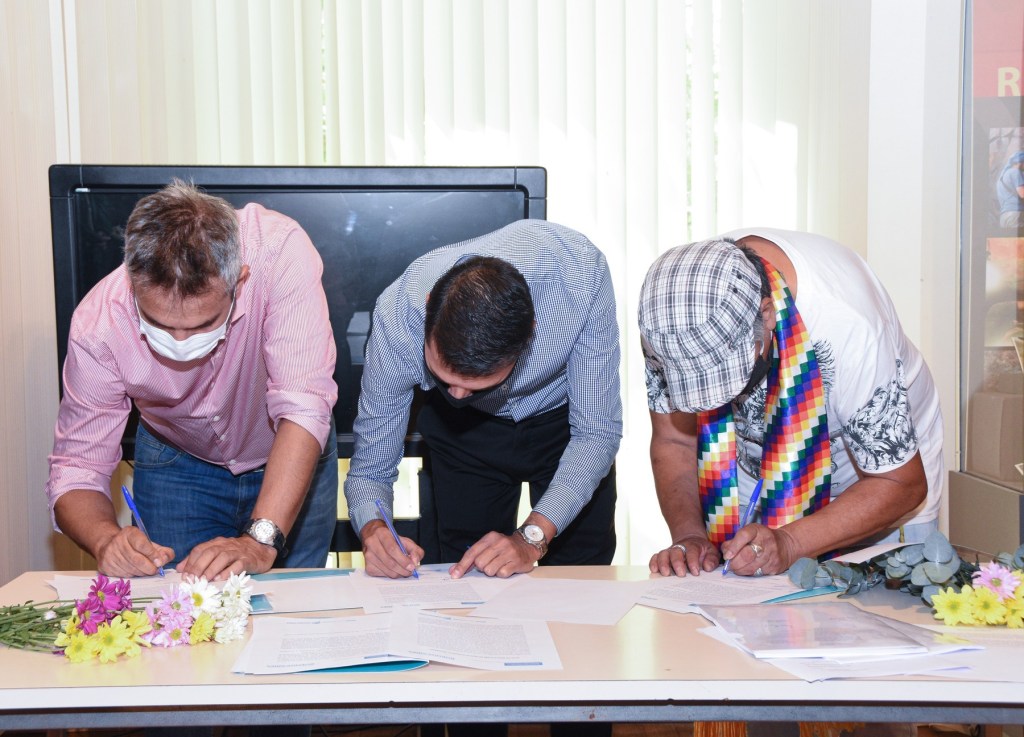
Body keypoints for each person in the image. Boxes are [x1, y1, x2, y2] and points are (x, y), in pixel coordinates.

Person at [46, 180, 339, 583]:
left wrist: (259, 541)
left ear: (239, 281)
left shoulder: (280, 252)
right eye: (159, 324)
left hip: (290, 446)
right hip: (177, 462)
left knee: (295, 604)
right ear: (133, 284)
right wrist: (105, 541)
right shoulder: (98, 324)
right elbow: (78, 466)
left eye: (203, 324)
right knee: (180, 608)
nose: (181, 343)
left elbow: (304, 404)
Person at [639, 229, 944, 580]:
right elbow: (675, 439)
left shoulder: (850, 326)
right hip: (750, 471)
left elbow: (900, 483)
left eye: (728, 380)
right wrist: (690, 536)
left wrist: (789, 542)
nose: (718, 400)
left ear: (767, 314)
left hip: (874, 477)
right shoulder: (670, 318)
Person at [345, 219, 621, 580]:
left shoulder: (579, 274)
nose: (458, 395)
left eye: (475, 386)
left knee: (582, 576)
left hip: (565, 425)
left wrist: (531, 538)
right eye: (445, 380)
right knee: (467, 572)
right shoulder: (397, 316)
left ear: (529, 335)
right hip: (462, 434)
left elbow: (596, 433)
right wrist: (373, 529)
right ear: (428, 309)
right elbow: (370, 469)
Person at [996, 151, 1024, 228]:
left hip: (1004, 216)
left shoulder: (1003, 175)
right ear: (1020, 162)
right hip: (1015, 214)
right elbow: (1022, 194)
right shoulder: (1015, 172)